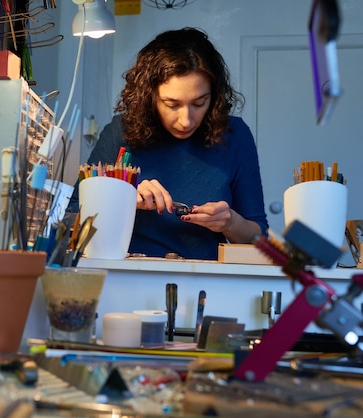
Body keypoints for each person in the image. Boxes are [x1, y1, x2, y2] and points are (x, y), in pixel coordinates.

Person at [71, 27, 268, 260]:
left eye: (199, 103)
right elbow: (72, 219)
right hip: (128, 275)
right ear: (150, 96)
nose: (186, 121)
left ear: (214, 97)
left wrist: (231, 222)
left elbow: (258, 239)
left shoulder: (235, 136)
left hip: (206, 281)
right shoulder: (120, 133)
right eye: (172, 104)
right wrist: (122, 200)